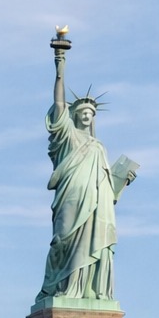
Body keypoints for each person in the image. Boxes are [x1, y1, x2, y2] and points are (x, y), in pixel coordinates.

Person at [36, 33, 136, 303]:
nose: (87, 114)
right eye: (83, 110)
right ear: (74, 113)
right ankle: (63, 289)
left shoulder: (98, 146)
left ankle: (90, 292)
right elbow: (59, 103)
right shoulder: (67, 136)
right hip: (71, 196)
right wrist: (60, 64)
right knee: (63, 241)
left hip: (97, 204)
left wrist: (122, 179)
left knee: (96, 242)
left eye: (91, 112)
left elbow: (107, 189)